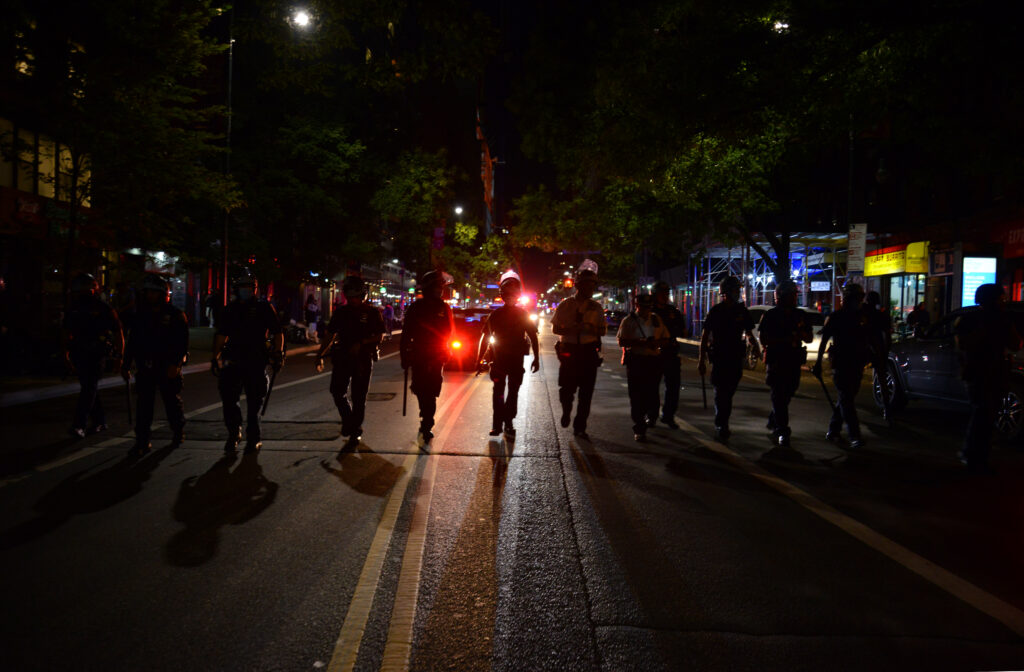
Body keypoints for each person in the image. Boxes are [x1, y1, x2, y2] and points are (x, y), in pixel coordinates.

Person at [211, 268, 284, 454]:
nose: (246, 290)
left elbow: (277, 332)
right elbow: (221, 335)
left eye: (249, 287)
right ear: (236, 289)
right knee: (229, 401)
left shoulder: (263, 307)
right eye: (242, 286)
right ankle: (234, 434)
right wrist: (215, 356)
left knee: (254, 404)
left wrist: (278, 353)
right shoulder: (230, 309)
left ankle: (254, 437)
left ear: (255, 288)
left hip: (256, 361)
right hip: (233, 360)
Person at [954, 283, 1021, 473]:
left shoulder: (968, 319)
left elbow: (960, 345)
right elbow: (1015, 343)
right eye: (1001, 298)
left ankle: (974, 454)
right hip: (991, 372)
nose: (1003, 301)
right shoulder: (1000, 320)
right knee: (985, 414)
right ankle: (975, 455)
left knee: (982, 413)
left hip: (976, 372)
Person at [121, 274, 189, 455]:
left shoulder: (175, 315)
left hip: (166, 366)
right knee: (144, 406)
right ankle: (142, 441)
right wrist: (126, 364)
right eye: (148, 292)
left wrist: (176, 364)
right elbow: (133, 342)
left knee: (171, 403)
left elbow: (182, 344)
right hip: (145, 366)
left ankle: (177, 430)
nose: (150, 296)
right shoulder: (140, 316)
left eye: (154, 292)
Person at [315, 276, 385, 444]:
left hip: (362, 360)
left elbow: (379, 336)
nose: (354, 300)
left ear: (363, 296)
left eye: (356, 297)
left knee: (359, 397)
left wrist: (361, 343)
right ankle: (349, 421)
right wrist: (320, 355)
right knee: (337, 391)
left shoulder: (372, 313)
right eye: (351, 297)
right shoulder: (341, 313)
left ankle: (355, 428)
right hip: (343, 358)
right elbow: (330, 335)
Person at [476, 270, 540, 439]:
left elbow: (533, 337)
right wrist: (479, 359)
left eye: (513, 295)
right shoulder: (495, 315)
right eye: (507, 294)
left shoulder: (523, 315)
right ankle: (497, 425)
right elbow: (485, 337)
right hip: (498, 361)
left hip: (515, 362)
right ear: (503, 296)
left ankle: (509, 423)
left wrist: (537, 359)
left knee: (512, 393)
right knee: (498, 393)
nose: (510, 297)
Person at [62, 273, 124, 438]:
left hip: (96, 353)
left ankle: (79, 424)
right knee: (89, 388)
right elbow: (67, 333)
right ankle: (100, 421)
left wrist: (120, 356)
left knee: (89, 387)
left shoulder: (103, 308)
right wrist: (66, 353)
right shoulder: (73, 309)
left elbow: (118, 332)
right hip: (79, 352)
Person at [698, 276, 759, 441]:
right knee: (720, 393)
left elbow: (749, 332)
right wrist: (701, 360)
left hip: (735, 358)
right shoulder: (716, 311)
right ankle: (721, 424)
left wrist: (755, 346)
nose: (737, 293)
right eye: (735, 290)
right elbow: (704, 337)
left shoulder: (741, 311)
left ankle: (723, 420)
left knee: (728, 393)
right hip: (719, 358)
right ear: (726, 292)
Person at [551, 259, 606, 440]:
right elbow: (556, 329)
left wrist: (591, 329)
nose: (590, 288)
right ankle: (566, 410)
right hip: (569, 351)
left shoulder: (597, 308)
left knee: (586, 393)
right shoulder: (566, 305)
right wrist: (570, 330)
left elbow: (602, 330)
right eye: (587, 284)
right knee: (566, 390)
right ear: (578, 285)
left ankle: (580, 426)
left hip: (588, 351)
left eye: (593, 285)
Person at [400, 270, 455, 446]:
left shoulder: (444, 308)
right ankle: (425, 415)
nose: (440, 290)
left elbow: (449, 331)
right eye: (438, 286)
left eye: (441, 287)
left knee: (432, 390)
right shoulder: (415, 308)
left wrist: (446, 349)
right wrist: (404, 355)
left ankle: (427, 420)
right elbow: (406, 334)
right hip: (419, 354)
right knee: (420, 388)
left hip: (437, 354)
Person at [813, 282, 870, 449]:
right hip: (841, 364)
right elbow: (824, 340)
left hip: (857, 363)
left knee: (846, 399)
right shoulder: (837, 317)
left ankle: (833, 430)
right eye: (856, 298)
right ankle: (854, 435)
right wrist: (818, 363)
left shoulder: (862, 317)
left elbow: (868, 338)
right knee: (846, 399)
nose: (858, 301)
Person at [757, 280, 813, 447]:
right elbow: (764, 339)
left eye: (795, 295)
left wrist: (800, 333)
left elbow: (809, 337)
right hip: (776, 361)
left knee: (788, 393)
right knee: (779, 395)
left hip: (793, 361)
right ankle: (783, 430)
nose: (794, 298)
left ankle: (774, 419)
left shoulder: (800, 315)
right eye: (791, 295)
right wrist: (785, 339)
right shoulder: (771, 315)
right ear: (781, 296)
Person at [617, 293, 671, 441]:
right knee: (636, 395)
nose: (646, 309)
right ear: (637, 305)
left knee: (652, 392)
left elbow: (666, 339)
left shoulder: (656, 319)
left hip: (653, 360)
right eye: (643, 306)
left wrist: (656, 343)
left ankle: (651, 416)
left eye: (648, 307)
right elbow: (622, 341)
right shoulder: (629, 321)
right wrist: (640, 343)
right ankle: (639, 427)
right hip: (636, 360)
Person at [652, 281, 687, 428]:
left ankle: (668, 415)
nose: (665, 297)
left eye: (666, 294)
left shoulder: (673, 311)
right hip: (654, 354)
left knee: (673, 387)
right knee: (652, 387)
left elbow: (682, 331)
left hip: (671, 353)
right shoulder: (650, 312)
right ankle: (652, 415)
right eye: (662, 294)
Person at [863, 290, 894, 423]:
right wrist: (885, 351)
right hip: (878, 349)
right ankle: (887, 410)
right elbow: (888, 336)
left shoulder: (864, 314)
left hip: (865, 349)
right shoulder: (882, 316)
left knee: (852, 381)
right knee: (882, 380)